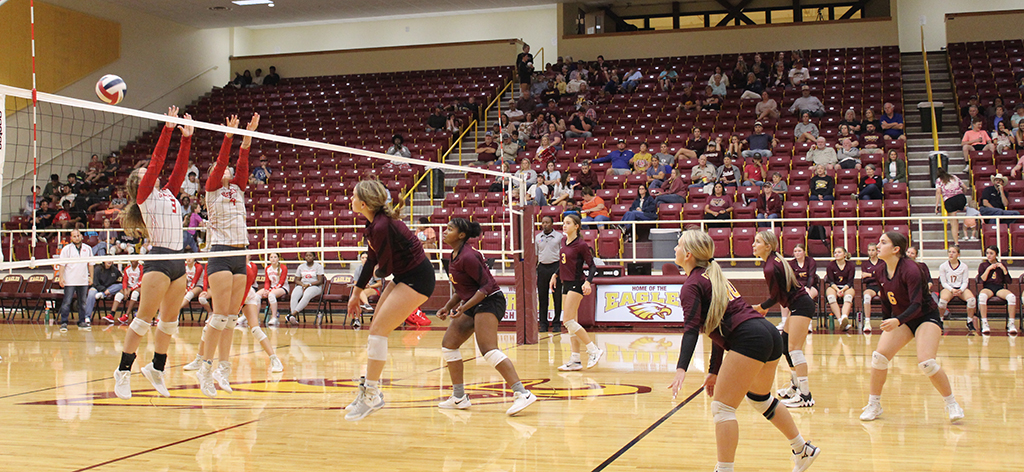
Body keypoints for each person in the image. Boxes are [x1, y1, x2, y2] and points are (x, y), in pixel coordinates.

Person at [668, 230, 820, 472]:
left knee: (723, 408)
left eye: (678, 245)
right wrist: (714, 371)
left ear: (688, 254)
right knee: (760, 399)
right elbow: (715, 329)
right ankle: (802, 449)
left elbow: (691, 329)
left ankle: (724, 469)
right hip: (768, 334)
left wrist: (680, 369)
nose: (674, 249)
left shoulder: (692, 285)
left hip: (750, 338)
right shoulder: (713, 276)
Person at [112, 106, 194, 400]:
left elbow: (179, 170)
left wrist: (186, 139)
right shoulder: (146, 194)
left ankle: (156, 368)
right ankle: (122, 371)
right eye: (146, 172)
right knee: (143, 320)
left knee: (169, 322)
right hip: (159, 259)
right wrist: (168, 128)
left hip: (177, 261)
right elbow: (159, 160)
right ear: (139, 182)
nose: (153, 171)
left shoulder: (169, 192)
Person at [345, 180, 436, 421]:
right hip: (406, 276)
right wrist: (356, 293)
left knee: (377, 332)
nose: (349, 200)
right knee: (375, 330)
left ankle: (372, 394)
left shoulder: (382, 226)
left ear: (363, 203)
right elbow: (373, 259)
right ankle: (369, 390)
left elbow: (382, 268)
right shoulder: (374, 223)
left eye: (352, 196)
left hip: (418, 279)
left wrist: (374, 277)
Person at [860, 232, 965, 423]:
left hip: (925, 316)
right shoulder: (880, 271)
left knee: (927, 363)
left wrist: (897, 321)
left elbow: (916, 305)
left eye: (883, 242)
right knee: (879, 358)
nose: (878, 245)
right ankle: (874, 404)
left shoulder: (911, 269)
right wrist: (886, 322)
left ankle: (951, 403)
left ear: (896, 249)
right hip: (902, 318)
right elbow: (885, 301)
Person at [436, 218, 538, 414]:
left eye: (450, 229)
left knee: (488, 350)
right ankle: (459, 397)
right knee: (449, 345)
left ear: (462, 235)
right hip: (474, 302)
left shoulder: (469, 256)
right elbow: (463, 289)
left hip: (491, 301)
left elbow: (486, 287)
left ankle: (522, 393)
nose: (445, 232)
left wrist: (464, 308)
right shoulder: (454, 255)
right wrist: (447, 306)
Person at [193, 112, 259, 398]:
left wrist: (248, 136)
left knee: (232, 318)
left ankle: (223, 369)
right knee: (219, 317)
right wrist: (229, 136)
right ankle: (204, 370)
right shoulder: (211, 190)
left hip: (240, 254)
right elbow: (222, 163)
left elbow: (243, 162)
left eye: (232, 171)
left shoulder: (238, 189)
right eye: (225, 171)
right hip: (219, 254)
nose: (230, 171)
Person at [751, 231, 818, 408]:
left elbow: (774, 297)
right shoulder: (775, 260)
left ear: (768, 246)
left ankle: (805, 395)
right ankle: (795, 386)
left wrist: (761, 307)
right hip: (798, 304)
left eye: (757, 242)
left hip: (801, 306)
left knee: (795, 350)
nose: (753, 245)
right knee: (785, 344)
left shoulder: (770, 267)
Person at [551, 214, 604, 371]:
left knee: (567, 321)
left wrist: (588, 281)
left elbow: (592, 266)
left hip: (576, 284)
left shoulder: (581, 245)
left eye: (568, 223)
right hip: (565, 284)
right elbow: (563, 263)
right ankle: (575, 359)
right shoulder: (563, 241)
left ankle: (593, 350)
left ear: (576, 226)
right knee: (571, 323)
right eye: (564, 223)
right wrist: (555, 274)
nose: (564, 225)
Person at [56, 229, 94, 332]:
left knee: (82, 303)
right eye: (74, 236)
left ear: (81, 236)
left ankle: (82, 321)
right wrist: (61, 278)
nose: (76, 238)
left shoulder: (88, 249)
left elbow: (91, 264)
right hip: (70, 281)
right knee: (67, 302)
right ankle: (64, 323)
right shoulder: (66, 249)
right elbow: (62, 265)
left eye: (78, 235)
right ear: (71, 238)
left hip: (83, 280)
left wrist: (91, 277)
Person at [976, 246, 1018, 335]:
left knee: (1012, 297)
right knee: (982, 296)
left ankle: (1011, 324)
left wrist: (1003, 269)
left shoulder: (1001, 265)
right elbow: (981, 280)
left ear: (996, 254)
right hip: (988, 287)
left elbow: (1009, 281)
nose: (989, 255)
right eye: (987, 253)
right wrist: (988, 269)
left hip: (999, 287)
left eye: (991, 253)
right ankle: (985, 323)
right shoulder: (983, 265)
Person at [937, 246, 977, 331]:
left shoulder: (964, 266)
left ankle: (969, 321)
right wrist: (952, 290)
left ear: (958, 254)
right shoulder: (943, 266)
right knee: (942, 301)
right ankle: (940, 320)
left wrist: (960, 290)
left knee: (972, 300)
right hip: (949, 288)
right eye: (949, 252)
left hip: (960, 288)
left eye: (953, 252)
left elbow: (965, 281)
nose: (951, 254)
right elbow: (944, 282)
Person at [535, 216, 564, 332]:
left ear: (552, 224)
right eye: (543, 222)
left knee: (557, 297)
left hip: (555, 267)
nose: (545, 224)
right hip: (542, 268)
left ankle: (557, 323)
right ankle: (543, 323)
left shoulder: (559, 237)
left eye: (547, 222)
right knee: (542, 298)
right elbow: (536, 255)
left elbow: (562, 254)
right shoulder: (538, 237)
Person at [285, 252, 325, 325]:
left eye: (310, 256)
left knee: (307, 294)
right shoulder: (301, 267)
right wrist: (303, 284)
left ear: (314, 257)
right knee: (294, 294)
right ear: (304, 257)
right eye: (306, 256)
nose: (308, 257)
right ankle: (293, 318)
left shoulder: (318, 266)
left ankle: (293, 314)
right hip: (302, 285)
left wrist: (309, 284)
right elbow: (296, 280)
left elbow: (320, 281)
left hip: (315, 286)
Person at [825, 247, 856, 331]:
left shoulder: (851, 265)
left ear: (845, 254)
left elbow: (850, 282)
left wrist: (842, 290)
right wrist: (838, 290)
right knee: (831, 297)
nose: (837, 254)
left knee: (848, 297)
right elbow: (830, 281)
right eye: (835, 252)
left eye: (839, 252)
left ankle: (844, 317)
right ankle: (840, 320)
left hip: (846, 287)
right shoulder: (830, 265)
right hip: (834, 287)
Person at [934, 167, 968, 243]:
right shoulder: (954, 177)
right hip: (961, 198)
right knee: (956, 214)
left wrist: (936, 205)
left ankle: (956, 243)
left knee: (953, 222)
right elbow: (965, 187)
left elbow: (938, 192)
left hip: (950, 200)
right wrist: (963, 194)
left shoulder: (939, 180)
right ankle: (958, 232)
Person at [256, 253, 289, 326]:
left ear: (278, 259)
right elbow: (267, 281)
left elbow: (281, 282)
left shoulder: (283, 268)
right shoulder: (268, 268)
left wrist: (270, 291)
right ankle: (255, 317)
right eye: (271, 257)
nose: (273, 259)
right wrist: (266, 290)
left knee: (271, 295)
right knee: (257, 295)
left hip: (283, 287)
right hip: (271, 287)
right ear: (269, 259)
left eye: (275, 257)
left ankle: (274, 317)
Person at [861, 243, 884, 334]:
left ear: (877, 251)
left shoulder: (882, 263)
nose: (871, 252)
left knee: (885, 297)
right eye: (869, 250)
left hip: (881, 286)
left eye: (873, 250)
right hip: (870, 286)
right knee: (866, 296)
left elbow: (882, 276)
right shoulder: (865, 264)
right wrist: (875, 275)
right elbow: (865, 279)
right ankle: (867, 322)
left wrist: (870, 275)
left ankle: (886, 319)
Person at [111, 259, 143, 324]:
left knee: (135, 294)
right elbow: (124, 281)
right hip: (129, 287)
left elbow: (141, 282)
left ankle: (126, 315)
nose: (133, 261)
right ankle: (112, 314)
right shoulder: (127, 268)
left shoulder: (141, 268)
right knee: (119, 294)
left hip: (138, 287)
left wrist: (131, 289)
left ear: (138, 260)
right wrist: (125, 290)